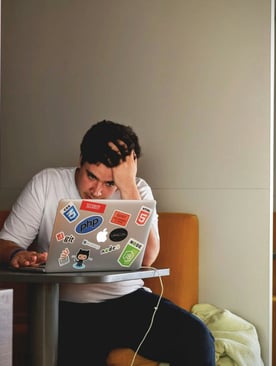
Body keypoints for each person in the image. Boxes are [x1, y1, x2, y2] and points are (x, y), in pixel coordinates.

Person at [0, 120, 215, 366]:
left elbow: (148, 258)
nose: (98, 191)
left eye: (109, 183)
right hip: (66, 307)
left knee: (197, 338)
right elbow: (6, 243)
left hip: (128, 301)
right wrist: (17, 253)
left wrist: (127, 187)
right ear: (81, 159)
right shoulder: (46, 183)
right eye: (91, 176)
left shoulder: (138, 191)